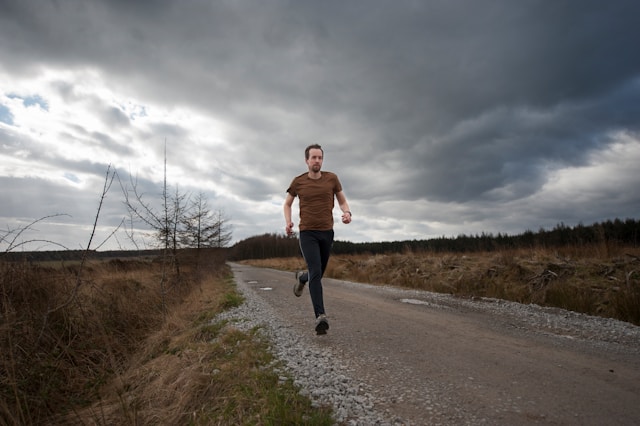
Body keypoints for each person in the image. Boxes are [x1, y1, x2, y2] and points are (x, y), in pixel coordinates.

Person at [284, 144, 352, 335]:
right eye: (313, 158)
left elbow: (342, 200)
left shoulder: (332, 179)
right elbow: (287, 204)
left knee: (317, 274)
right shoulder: (298, 182)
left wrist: (347, 212)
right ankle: (320, 316)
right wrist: (288, 222)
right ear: (307, 160)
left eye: (319, 158)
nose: (317, 161)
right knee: (316, 270)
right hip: (307, 233)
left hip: (326, 232)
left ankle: (302, 277)